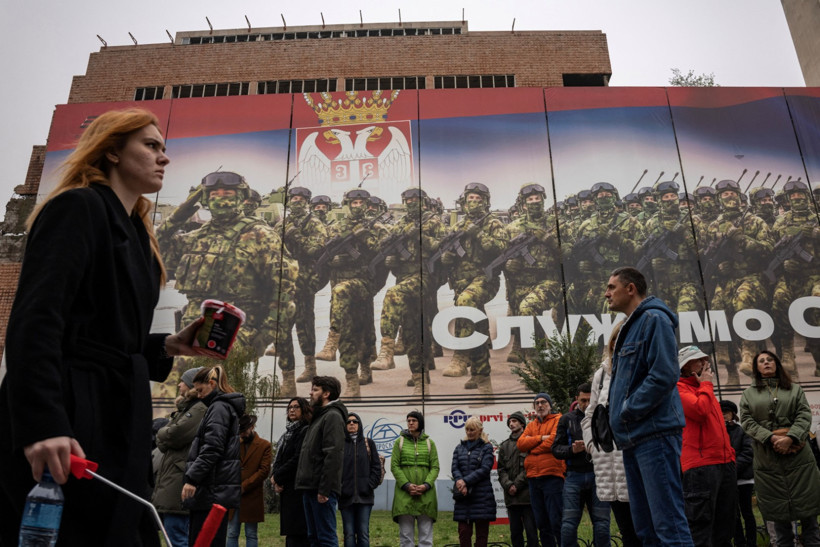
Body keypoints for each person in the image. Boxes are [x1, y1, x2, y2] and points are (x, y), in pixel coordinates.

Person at [0, 108, 203, 546]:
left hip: (119, 414)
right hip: (70, 414)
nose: (163, 157)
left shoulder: (140, 237)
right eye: (151, 146)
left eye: (164, 148)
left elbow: (105, 332)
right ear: (111, 150)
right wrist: (42, 422)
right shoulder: (78, 207)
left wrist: (166, 344)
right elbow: (37, 320)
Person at [604, 266, 693, 546]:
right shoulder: (631, 326)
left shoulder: (654, 319)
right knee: (646, 530)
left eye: (611, 287)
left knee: (668, 525)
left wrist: (628, 410)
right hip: (634, 438)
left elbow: (665, 374)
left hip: (654, 435)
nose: (606, 293)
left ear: (630, 288)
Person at [739, 350, 820, 546]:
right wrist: (771, 438)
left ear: (777, 364)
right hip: (768, 461)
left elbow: (804, 415)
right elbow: (747, 421)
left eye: (770, 360)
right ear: (756, 368)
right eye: (761, 361)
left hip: (800, 459)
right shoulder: (748, 394)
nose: (766, 362)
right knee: (780, 521)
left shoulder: (794, 389)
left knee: (810, 520)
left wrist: (790, 437)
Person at [581, 321, 640, 547]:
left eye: (625, 337)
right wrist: (592, 446)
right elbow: (590, 415)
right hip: (609, 470)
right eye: (616, 338)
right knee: (627, 533)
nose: (619, 343)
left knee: (648, 530)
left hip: (636, 464)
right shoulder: (602, 374)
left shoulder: (641, 368)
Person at [676, 345, 737, 546]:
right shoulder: (678, 389)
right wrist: (707, 386)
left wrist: (731, 455)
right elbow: (700, 412)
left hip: (724, 462)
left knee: (726, 526)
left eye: (705, 359)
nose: (705, 363)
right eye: (698, 360)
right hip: (700, 467)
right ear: (684, 367)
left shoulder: (704, 389)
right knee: (701, 529)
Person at [182, 365, 245, 545]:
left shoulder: (218, 408)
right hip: (215, 490)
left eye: (201, 390)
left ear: (211, 383)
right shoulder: (222, 407)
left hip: (210, 491)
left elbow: (212, 448)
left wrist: (192, 478)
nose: (199, 395)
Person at [152, 367, 207, 547]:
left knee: (177, 538)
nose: (179, 384)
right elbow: (166, 438)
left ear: (192, 384)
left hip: (178, 481)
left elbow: (174, 434)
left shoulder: (198, 409)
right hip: (173, 481)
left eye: (183, 381)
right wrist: (164, 435)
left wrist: (161, 433)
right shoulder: (186, 409)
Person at [553, 383, 610, 547]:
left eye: (589, 400)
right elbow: (556, 449)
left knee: (602, 524)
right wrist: (572, 449)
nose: (585, 404)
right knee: (568, 525)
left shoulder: (602, 417)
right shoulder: (566, 419)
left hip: (598, 475)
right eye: (582, 400)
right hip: (574, 475)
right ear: (576, 399)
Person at [294, 375, 348, 546]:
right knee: (314, 537)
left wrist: (324, 490)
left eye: (315, 389)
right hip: (310, 487)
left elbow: (333, 455)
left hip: (321, 489)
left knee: (326, 538)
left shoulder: (332, 416)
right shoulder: (319, 416)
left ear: (327, 394)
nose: (310, 393)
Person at [517, 392, 565, 547]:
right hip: (533, 478)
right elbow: (520, 444)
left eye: (543, 402)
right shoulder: (531, 425)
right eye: (537, 403)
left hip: (552, 476)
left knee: (556, 520)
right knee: (542, 523)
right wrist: (539, 439)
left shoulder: (559, 420)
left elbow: (553, 442)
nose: (540, 405)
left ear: (550, 405)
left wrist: (533, 449)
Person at [392, 411, 440, 547]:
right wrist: (407, 485)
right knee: (406, 538)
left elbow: (435, 467)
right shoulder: (399, 442)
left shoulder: (430, 443)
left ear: (420, 423)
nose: (410, 423)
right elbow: (394, 466)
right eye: (408, 420)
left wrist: (426, 485)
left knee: (426, 538)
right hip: (404, 495)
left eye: (414, 420)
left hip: (426, 495)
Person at [226, 413, 273, 547]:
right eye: (240, 432)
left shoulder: (265, 445)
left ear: (252, 427)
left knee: (251, 533)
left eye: (244, 431)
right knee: (231, 532)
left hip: (252, 495)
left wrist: (245, 485)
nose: (242, 434)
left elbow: (264, 471)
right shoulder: (234, 444)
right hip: (234, 494)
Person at [271, 397, 312, 546]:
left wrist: (278, 476)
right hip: (287, 488)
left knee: (298, 533)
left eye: (296, 407)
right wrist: (275, 477)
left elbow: (297, 459)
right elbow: (279, 458)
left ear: (304, 410)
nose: (292, 410)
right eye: (289, 407)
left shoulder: (305, 430)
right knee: (291, 532)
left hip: (298, 489)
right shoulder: (287, 434)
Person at [451, 417, 497, 547]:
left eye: (472, 429)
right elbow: (455, 468)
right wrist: (460, 482)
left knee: (482, 535)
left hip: (482, 497)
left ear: (480, 430)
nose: (469, 432)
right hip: (463, 497)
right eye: (467, 429)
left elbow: (485, 469)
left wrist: (465, 481)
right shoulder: (459, 448)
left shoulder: (487, 447)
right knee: (464, 532)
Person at [340, 413, 382, 547]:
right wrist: (341, 487)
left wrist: (369, 485)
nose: (351, 423)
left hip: (365, 497)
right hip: (345, 497)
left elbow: (376, 467)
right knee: (349, 533)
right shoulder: (340, 444)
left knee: (363, 533)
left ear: (359, 424)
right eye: (348, 422)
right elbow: (334, 468)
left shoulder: (368, 443)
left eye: (355, 421)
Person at [497, 411, 538, 547]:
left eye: (515, 421)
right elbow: (501, 469)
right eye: (510, 421)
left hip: (527, 497)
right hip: (511, 498)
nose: (511, 423)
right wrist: (509, 485)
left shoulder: (529, 442)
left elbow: (531, 466)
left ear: (522, 423)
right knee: (515, 533)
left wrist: (517, 485)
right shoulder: (504, 446)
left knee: (532, 532)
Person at [721, 399, 757, 547]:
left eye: (726, 413)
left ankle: (752, 543)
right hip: (727, 481)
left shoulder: (742, 430)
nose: (723, 416)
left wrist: (732, 468)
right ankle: (739, 542)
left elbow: (748, 452)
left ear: (733, 414)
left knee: (747, 512)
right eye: (721, 413)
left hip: (743, 479)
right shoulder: (717, 432)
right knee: (733, 515)